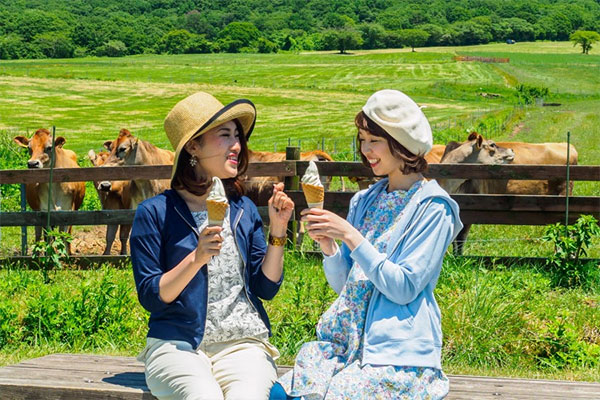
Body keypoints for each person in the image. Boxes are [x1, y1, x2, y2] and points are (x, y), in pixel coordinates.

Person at [270, 89, 463, 399]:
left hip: (397, 354)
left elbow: (404, 287)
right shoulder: (365, 200)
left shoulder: (434, 208)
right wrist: (329, 247)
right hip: (346, 342)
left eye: (374, 140)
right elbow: (346, 284)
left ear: (402, 143)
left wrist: (350, 236)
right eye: (362, 139)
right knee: (280, 394)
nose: (366, 149)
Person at [131, 92, 294, 400]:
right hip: (176, 346)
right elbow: (153, 296)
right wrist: (197, 257)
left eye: (238, 136)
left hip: (243, 345)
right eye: (225, 135)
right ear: (193, 146)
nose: (237, 145)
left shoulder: (243, 209)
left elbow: (266, 287)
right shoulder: (154, 213)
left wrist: (278, 229)